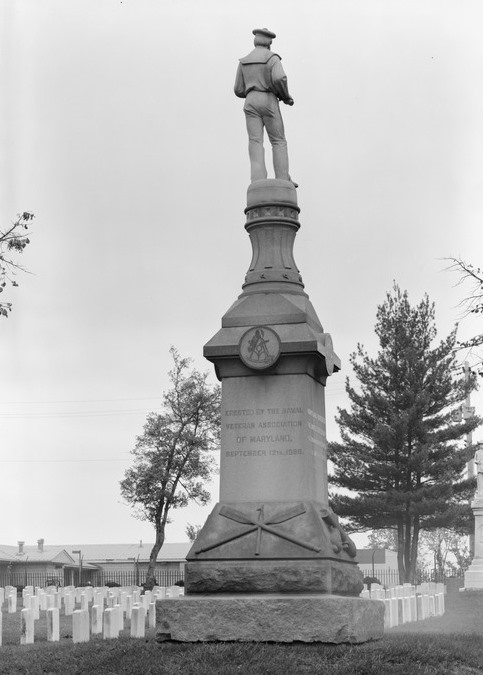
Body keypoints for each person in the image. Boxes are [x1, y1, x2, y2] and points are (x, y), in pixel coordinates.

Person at [234, 28, 297, 186]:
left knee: (255, 140)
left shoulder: (244, 61)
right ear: (269, 43)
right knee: (278, 141)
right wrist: (284, 96)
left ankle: (257, 180)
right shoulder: (272, 58)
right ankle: (283, 179)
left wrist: (251, 89)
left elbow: (238, 89)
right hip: (267, 99)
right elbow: (280, 78)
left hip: (250, 100)